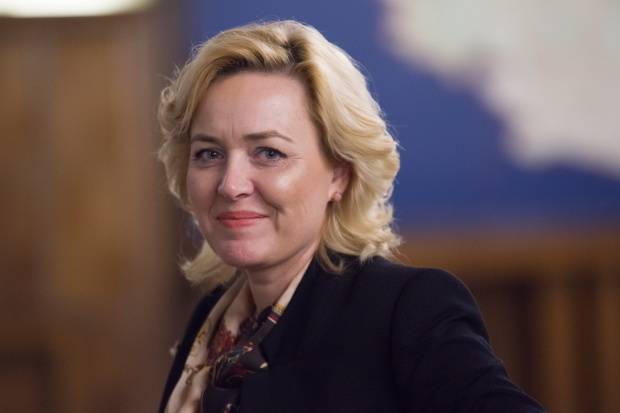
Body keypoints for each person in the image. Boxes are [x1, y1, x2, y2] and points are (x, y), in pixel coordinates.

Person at [157, 20, 545, 413]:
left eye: (269, 153)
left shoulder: (405, 311)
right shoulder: (214, 319)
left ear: (339, 174)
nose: (230, 185)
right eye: (209, 153)